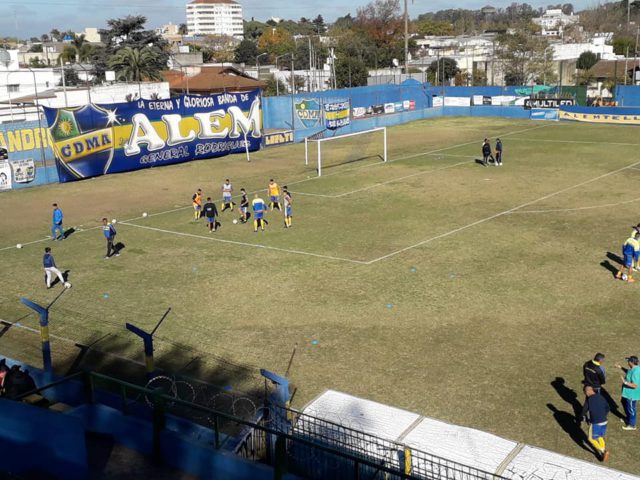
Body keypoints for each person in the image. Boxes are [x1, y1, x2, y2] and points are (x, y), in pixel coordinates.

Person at [582, 386, 610, 461]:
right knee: (600, 436)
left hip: (596, 422)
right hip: (604, 420)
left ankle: (603, 451)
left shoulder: (589, 400)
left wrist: (585, 418)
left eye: (585, 393)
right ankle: (603, 453)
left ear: (587, 392)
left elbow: (584, 411)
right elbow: (608, 407)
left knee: (591, 438)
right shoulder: (601, 397)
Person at [616, 355, 640, 431]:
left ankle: (632, 425)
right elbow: (629, 372)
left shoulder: (636, 372)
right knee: (623, 402)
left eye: (628, 361)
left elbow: (635, 385)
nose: (627, 362)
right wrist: (620, 367)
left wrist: (625, 382)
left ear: (631, 362)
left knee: (631, 409)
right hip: (626, 393)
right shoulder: (633, 368)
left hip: (631, 395)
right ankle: (628, 418)